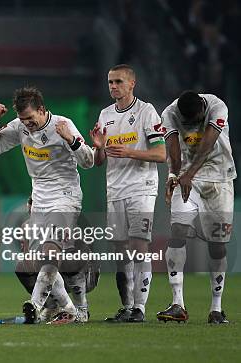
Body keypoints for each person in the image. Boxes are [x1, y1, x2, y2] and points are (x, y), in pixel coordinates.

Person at [0, 86, 94, 324]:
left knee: (50, 251)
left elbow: (88, 161)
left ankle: (35, 304)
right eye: (23, 119)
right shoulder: (19, 126)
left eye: (30, 118)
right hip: (39, 199)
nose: (27, 124)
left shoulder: (63, 125)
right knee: (29, 263)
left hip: (65, 196)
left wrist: (71, 140)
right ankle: (69, 308)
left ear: (42, 110)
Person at [90, 64, 166, 323]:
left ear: (132, 84)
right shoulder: (105, 114)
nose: (113, 86)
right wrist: (99, 148)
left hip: (141, 188)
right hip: (115, 190)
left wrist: (130, 152)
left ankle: (140, 308)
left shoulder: (146, 112)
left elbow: (161, 154)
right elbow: (99, 161)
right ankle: (127, 306)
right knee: (121, 253)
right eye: (110, 82)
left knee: (138, 247)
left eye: (118, 82)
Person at [156, 91, 234, 324]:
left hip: (219, 178)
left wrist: (189, 174)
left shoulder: (217, 106)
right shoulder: (169, 113)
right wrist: (173, 174)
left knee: (217, 245)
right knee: (178, 232)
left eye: (195, 121)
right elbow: (173, 149)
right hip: (186, 180)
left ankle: (216, 308)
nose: (191, 127)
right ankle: (177, 303)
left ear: (202, 108)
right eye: (186, 123)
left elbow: (208, 144)